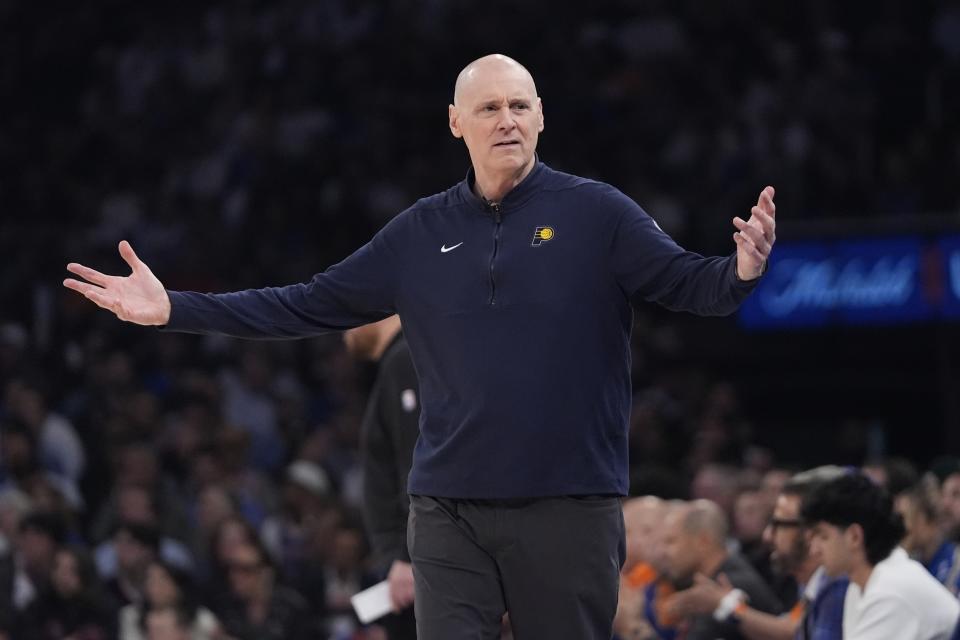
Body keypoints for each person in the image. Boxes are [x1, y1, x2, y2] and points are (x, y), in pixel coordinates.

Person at [63, 53, 777, 639]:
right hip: (447, 506)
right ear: (455, 122)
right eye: (491, 107)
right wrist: (174, 309)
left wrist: (742, 269)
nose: (507, 120)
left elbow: (693, 284)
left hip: (568, 502)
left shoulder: (599, 213)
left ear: (541, 119)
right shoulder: (417, 233)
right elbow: (306, 304)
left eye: (521, 105)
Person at [665, 466, 848, 640]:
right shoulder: (814, 583)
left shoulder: (837, 583)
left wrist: (727, 606)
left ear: (813, 531)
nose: (767, 535)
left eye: (780, 525)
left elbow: (792, 632)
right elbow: (794, 628)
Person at [802, 472, 959, 640]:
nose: (814, 550)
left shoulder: (891, 590)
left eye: (823, 536)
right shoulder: (864, 582)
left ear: (854, 536)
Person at [344, 314, 418, 638]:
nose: (342, 331)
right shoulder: (400, 360)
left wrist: (409, 556)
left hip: (420, 565)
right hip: (413, 562)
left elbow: (420, 469)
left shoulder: (406, 358)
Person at [660, 500, 781, 639]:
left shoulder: (730, 586)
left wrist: (638, 629)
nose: (663, 552)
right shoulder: (712, 580)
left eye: (671, 541)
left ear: (703, 542)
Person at [895, 476, 960, 595]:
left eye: (904, 518)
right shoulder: (911, 563)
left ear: (923, 520)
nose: (901, 528)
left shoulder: (956, 563)